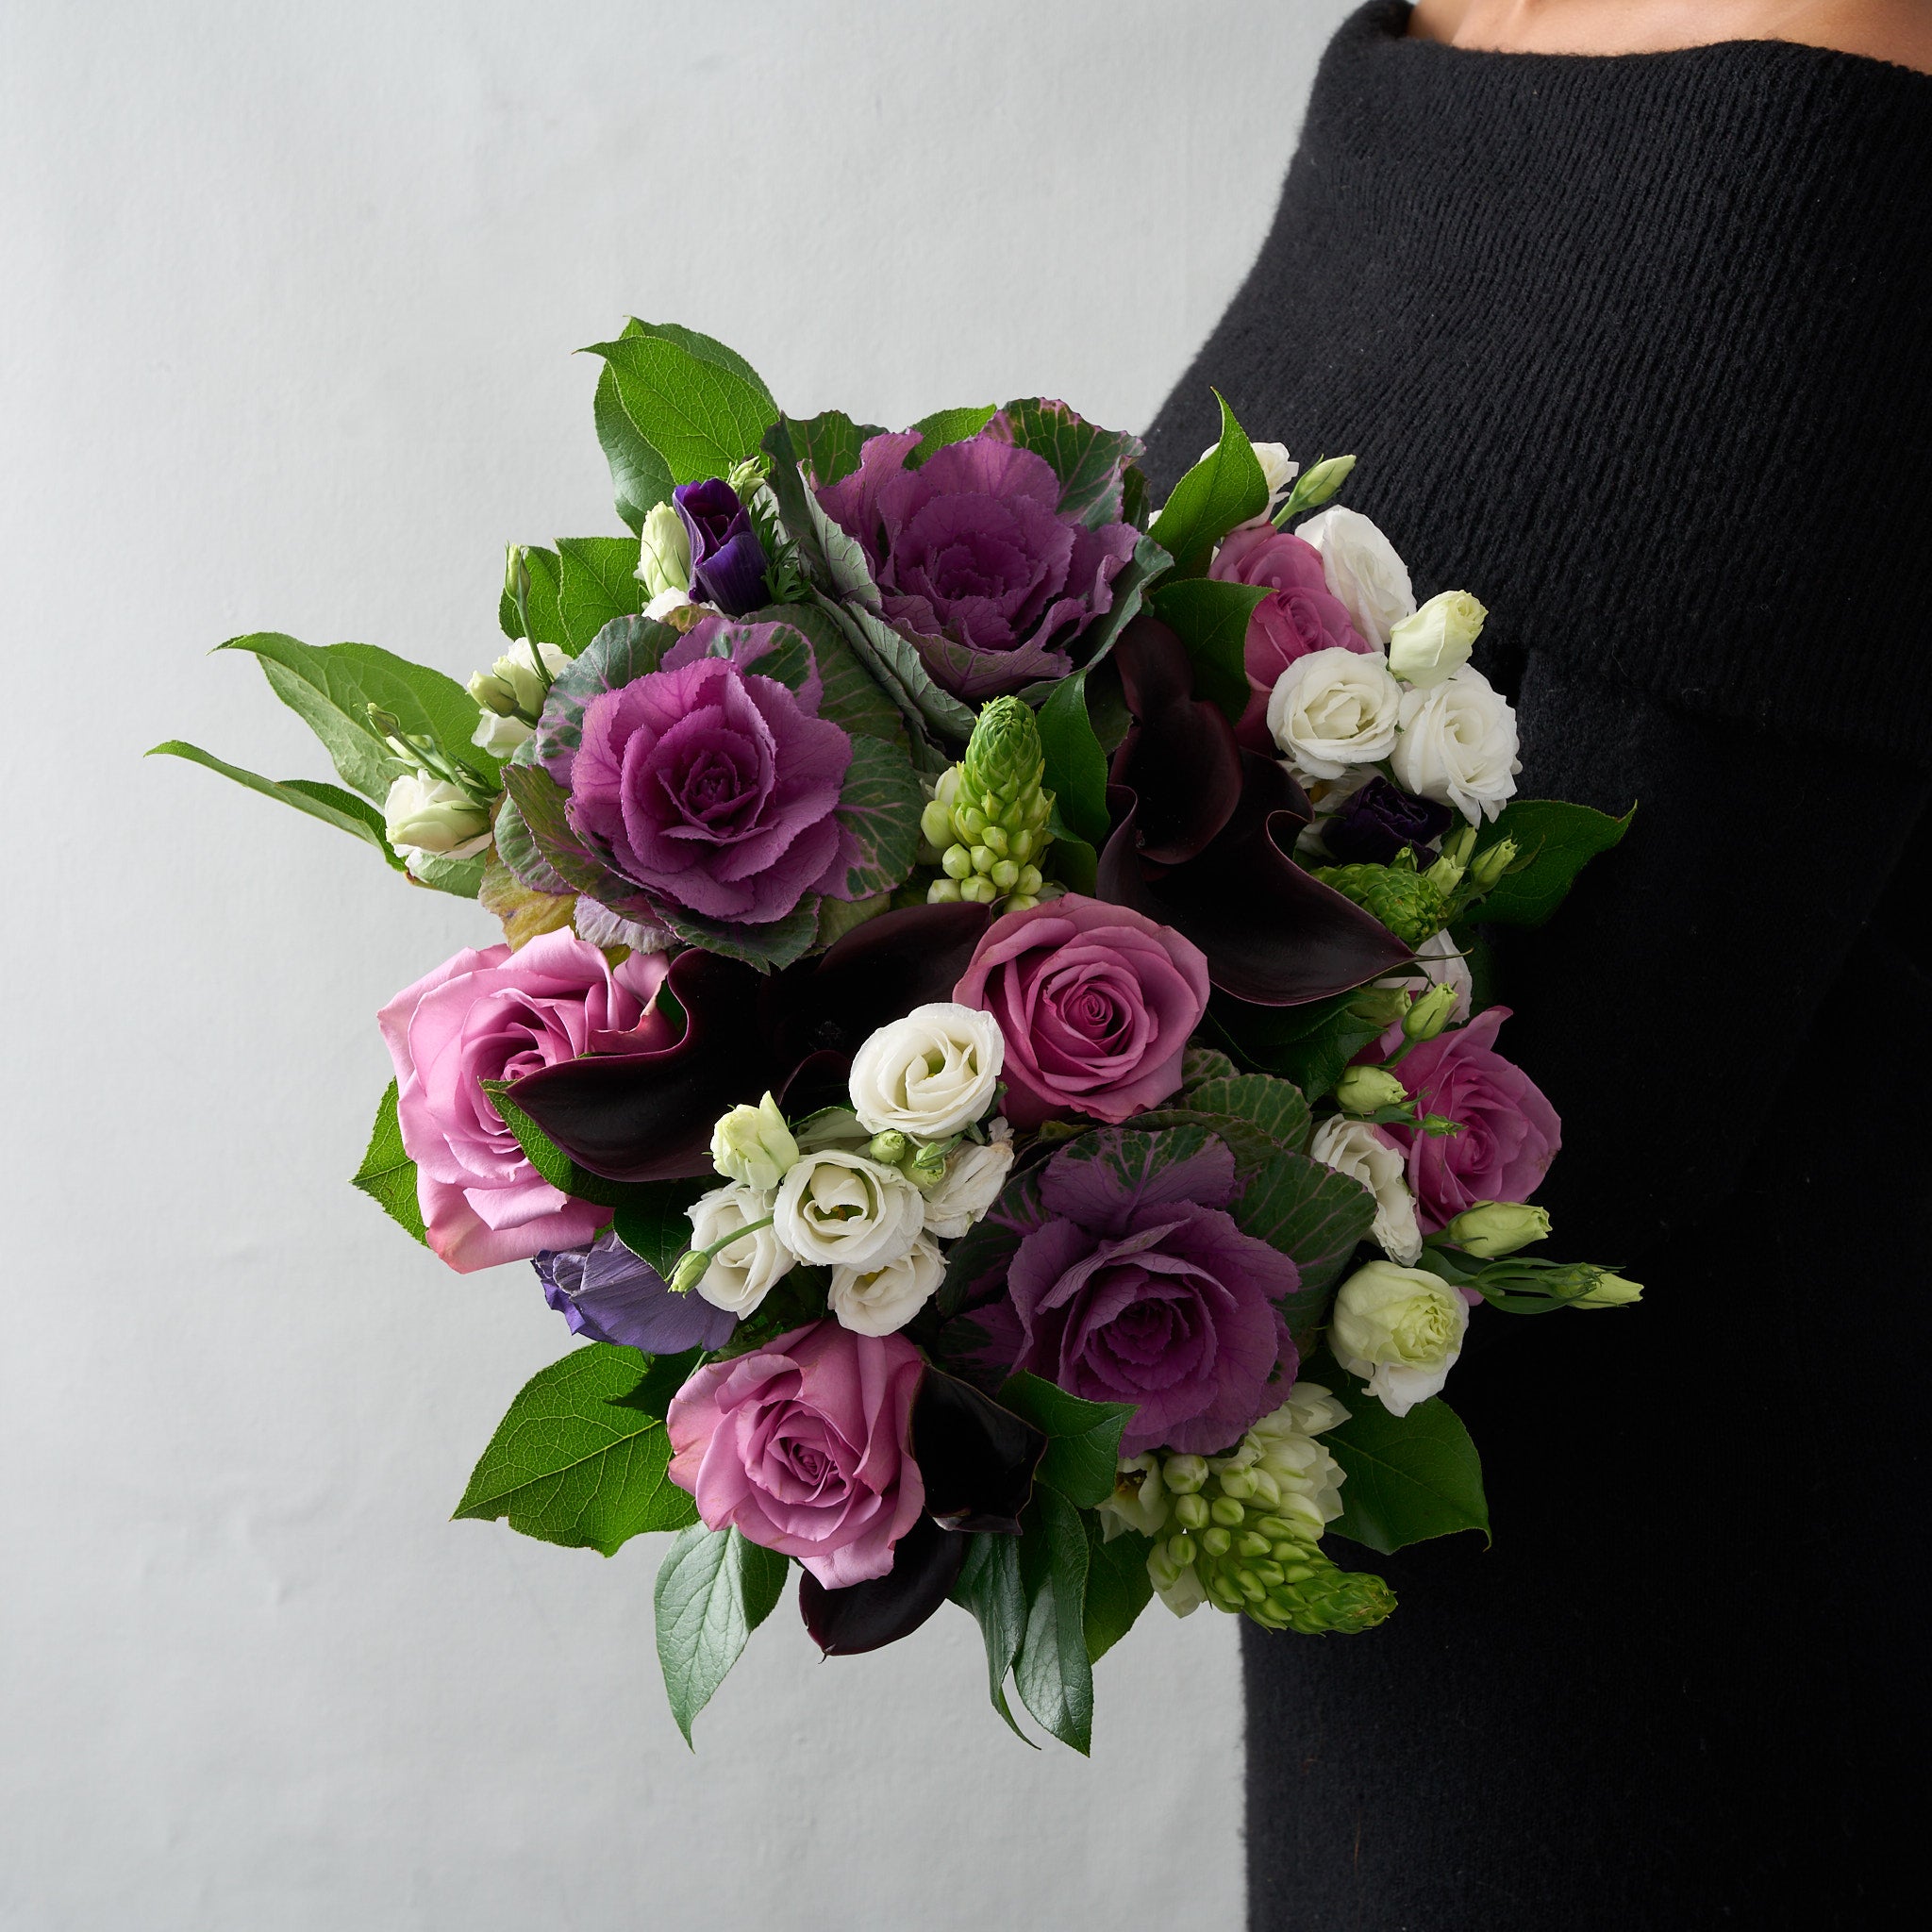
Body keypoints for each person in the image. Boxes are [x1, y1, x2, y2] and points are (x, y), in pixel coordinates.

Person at [1141, 4, 1932, 1926]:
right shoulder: (1446, 27)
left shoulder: (1825, 126)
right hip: (1441, 1677)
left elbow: (1562, 1104)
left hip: (1703, 1710)